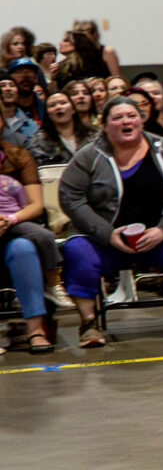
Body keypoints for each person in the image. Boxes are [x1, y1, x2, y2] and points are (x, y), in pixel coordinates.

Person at [59, 96, 163, 346]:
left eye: (131, 116)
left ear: (141, 120)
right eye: (117, 118)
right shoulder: (89, 155)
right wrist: (106, 233)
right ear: (104, 125)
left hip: (161, 236)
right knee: (76, 250)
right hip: (108, 241)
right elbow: (70, 197)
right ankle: (89, 323)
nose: (126, 121)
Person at [1, 138, 61, 352]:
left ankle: (36, 331)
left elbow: (35, 206)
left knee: (24, 249)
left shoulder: (18, 156)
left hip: (14, 227)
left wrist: (9, 220)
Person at [34, 86, 96, 166]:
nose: (58, 107)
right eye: (52, 105)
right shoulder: (39, 141)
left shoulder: (93, 135)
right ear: (47, 114)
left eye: (63, 103)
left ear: (73, 109)